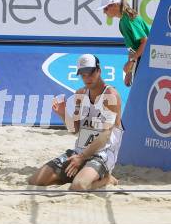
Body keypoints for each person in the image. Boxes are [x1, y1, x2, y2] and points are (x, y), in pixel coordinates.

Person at [28, 54, 123, 191]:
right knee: (35, 180)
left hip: (102, 153)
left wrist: (82, 157)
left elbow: (105, 136)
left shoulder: (110, 96)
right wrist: (63, 113)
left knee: (79, 187)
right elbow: (75, 129)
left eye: (90, 73)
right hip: (80, 151)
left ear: (99, 71)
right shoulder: (80, 94)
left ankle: (107, 179)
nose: (87, 78)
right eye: (83, 75)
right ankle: (81, 174)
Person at [96, 0, 150, 86]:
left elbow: (145, 41)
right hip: (144, 58)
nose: (104, 12)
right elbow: (132, 48)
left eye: (105, 8)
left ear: (115, 5)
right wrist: (129, 72)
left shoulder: (130, 19)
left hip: (149, 58)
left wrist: (131, 61)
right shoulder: (123, 22)